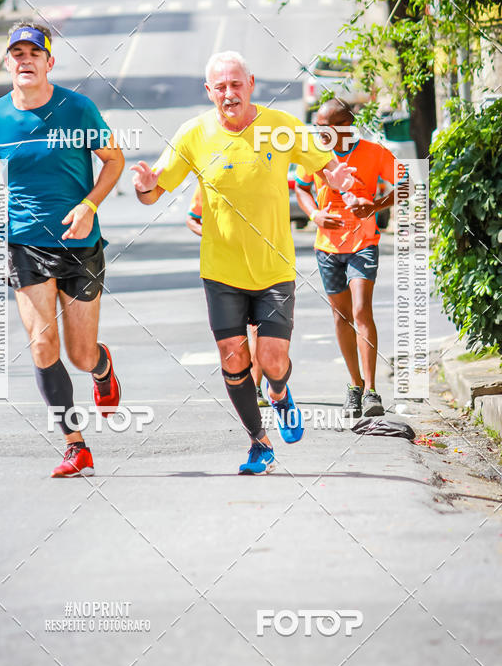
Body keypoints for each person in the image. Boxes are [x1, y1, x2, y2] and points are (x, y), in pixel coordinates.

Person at [132, 51, 355, 475]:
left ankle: (279, 392)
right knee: (234, 361)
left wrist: (337, 175)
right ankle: (259, 443)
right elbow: (154, 190)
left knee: (271, 361)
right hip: (222, 271)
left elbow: (322, 161)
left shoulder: (280, 126)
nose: (229, 93)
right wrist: (145, 187)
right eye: (221, 87)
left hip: (274, 269)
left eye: (236, 84)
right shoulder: (193, 133)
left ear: (251, 84)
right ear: (209, 91)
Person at [0, 20, 125, 477]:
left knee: (80, 354)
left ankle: (101, 367)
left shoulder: (78, 109)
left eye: (34, 54)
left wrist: (89, 205)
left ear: (49, 62)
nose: (26, 61)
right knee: (42, 345)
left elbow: (114, 159)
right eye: (17, 54)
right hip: (24, 243)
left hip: (80, 243)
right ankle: (75, 445)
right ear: (7, 63)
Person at [295, 98, 401, 418]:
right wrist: (314, 214)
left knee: (360, 310)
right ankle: (355, 385)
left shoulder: (374, 153)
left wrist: (376, 205)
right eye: (317, 126)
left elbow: (409, 184)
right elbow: (301, 188)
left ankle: (371, 391)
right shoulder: (314, 154)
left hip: (363, 242)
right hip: (327, 246)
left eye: (325, 127)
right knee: (341, 317)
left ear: (346, 126)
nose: (319, 132)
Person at [186, 182, 268, 407]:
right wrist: (212, 235)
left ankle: (257, 386)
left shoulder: (259, 178)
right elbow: (192, 218)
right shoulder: (211, 181)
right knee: (237, 334)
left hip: (262, 265)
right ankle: (249, 383)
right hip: (226, 271)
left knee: (259, 330)